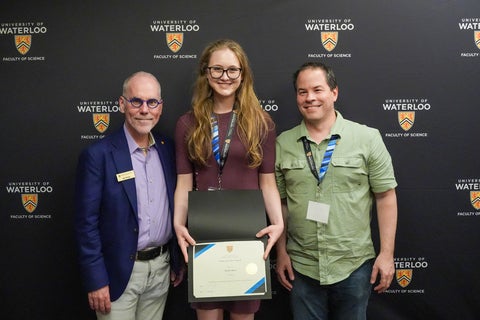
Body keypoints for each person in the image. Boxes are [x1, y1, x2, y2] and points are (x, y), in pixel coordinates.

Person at [275, 62, 398, 320]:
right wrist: (282, 252)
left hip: (353, 266)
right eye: (302, 91)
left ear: (334, 93)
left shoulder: (367, 138)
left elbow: (385, 197)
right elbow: (281, 204)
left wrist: (387, 254)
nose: (310, 98)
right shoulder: (282, 144)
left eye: (317, 89)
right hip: (302, 266)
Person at [174, 39, 284, 320]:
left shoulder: (261, 123)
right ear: (206, 73)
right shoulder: (188, 123)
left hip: (248, 235)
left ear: (243, 75)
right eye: (217, 69)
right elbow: (184, 183)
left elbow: (267, 181)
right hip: (204, 233)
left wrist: (278, 223)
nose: (225, 77)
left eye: (232, 70)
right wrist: (178, 224)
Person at [75, 71, 183, 320]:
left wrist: (176, 260)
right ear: (122, 104)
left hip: (161, 270)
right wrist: (96, 280)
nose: (145, 109)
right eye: (137, 101)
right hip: (118, 274)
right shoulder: (98, 155)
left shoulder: (168, 150)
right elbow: (85, 224)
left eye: (152, 102)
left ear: (160, 107)